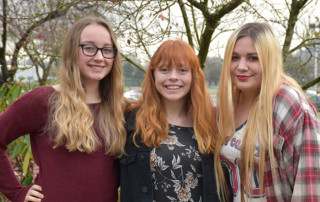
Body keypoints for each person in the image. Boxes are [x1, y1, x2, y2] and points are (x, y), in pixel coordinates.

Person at [0, 16, 126, 202]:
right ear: (71, 51)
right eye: (89, 48)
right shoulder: (44, 100)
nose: (99, 57)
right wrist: (16, 192)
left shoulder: (120, 108)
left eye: (107, 50)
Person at [214, 22, 320, 202]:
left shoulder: (288, 104)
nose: (241, 66)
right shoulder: (226, 107)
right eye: (235, 57)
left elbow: (309, 188)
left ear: (269, 60)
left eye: (253, 58)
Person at [120, 40, 220, 202]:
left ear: (193, 75)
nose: (173, 77)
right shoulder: (132, 120)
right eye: (164, 69)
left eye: (182, 70)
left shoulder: (209, 122)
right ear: (153, 74)